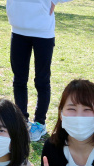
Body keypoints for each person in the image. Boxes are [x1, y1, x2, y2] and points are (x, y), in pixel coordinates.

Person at [6, 0, 73, 142]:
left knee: (42, 81)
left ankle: (40, 123)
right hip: (18, 29)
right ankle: (22, 121)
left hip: (43, 31)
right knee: (19, 80)